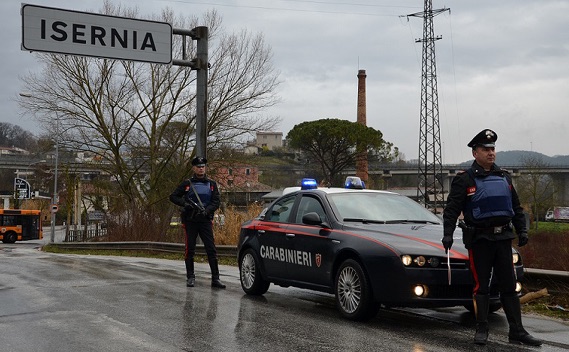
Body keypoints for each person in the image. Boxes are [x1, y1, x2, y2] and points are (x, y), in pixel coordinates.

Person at [442, 129, 541, 346]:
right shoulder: (464, 179)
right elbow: (451, 210)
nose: (491, 153)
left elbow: (515, 205)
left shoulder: (504, 176)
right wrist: (447, 234)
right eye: (486, 149)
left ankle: (517, 331)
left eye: (493, 149)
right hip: (480, 241)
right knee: (482, 287)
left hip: (503, 238)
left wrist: (522, 230)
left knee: (509, 286)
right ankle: (482, 329)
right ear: (475, 152)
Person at [169, 156, 226, 289]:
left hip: (205, 220)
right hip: (191, 221)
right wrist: (185, 204)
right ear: (194, 168)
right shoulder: (187, 183)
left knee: (211, 249)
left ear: (205, 168)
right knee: (190, 249)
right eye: (198, 167)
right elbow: (173, 196)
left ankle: (216, 279)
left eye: (203, 167)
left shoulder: (212, 184)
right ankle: (190, 277)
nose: (201, 169)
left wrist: (207, 210)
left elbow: (216, 201)